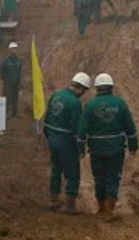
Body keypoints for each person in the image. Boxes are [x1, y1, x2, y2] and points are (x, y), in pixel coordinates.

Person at [78, 73, 138, 220]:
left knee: (99, 177)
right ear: (111, 87)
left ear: (97, 88)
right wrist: (133, 145)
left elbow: (82, 130)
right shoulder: (120, 103)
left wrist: (81, 149)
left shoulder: (90, 105)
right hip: (116, 149)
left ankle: (101, 208)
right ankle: (109, 210)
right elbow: (130, 126)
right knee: (113, 177)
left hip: (97, 149)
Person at [45, 72, 91, 213]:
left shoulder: (56, 95)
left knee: (56, 170)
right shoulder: (75, 102)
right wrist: (81, 148)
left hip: (52, 138)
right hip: (66, 142)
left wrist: (48, 136)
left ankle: (53, 201)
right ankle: (70, 205)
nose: (82, 94)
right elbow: (77, 128)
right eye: (83, 91)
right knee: (72, 173)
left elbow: (47, 117)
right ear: (81, 88)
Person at [0, 42, 22, 119]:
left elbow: (20, 70)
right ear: (10, 50)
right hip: (8, 82)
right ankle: (6, 113)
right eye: (12, 49)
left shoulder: (19, 60)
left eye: (15, 49)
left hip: (16, 82)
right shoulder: (5, 61)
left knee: (15, 97)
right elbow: (1, 70)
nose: (14, 50)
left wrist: (18, 80)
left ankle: (15, 113)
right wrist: (5, 78)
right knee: (7, 97)